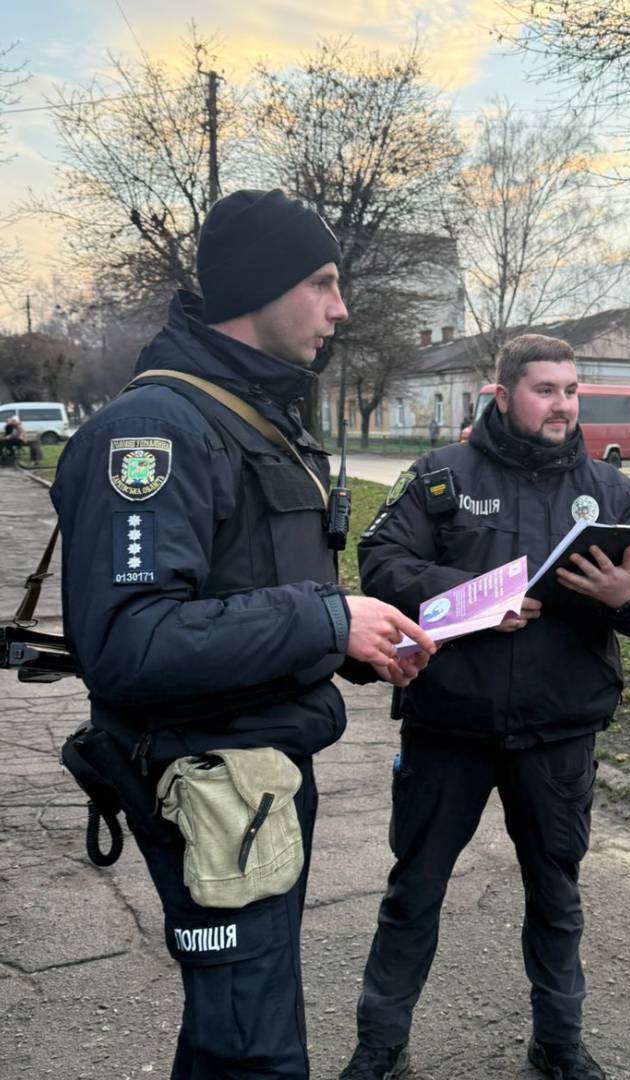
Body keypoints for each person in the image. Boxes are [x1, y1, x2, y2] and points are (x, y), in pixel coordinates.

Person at [50, 188, 436, 1080]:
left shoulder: (253, 419)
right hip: (204, 784)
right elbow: (131, 642)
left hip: (257, 777)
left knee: (239, 1029)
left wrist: (352, 640)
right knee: (254, 1052)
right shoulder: (154, 432)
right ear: (258, 287)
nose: (341, 310)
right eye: (323, 283)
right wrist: (327, 617)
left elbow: (251, 594)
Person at [339, 334, 630, 1080]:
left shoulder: (609, 490)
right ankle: (380, 1045)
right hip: (448, 727)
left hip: (558, 733)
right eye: (544, 390)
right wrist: (475, 598)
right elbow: (383, 564)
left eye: (570, 390)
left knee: (557, 896)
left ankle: (558, 1041)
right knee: (414, 892)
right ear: (502, 395)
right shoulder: (439, 478)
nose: (561, 404)